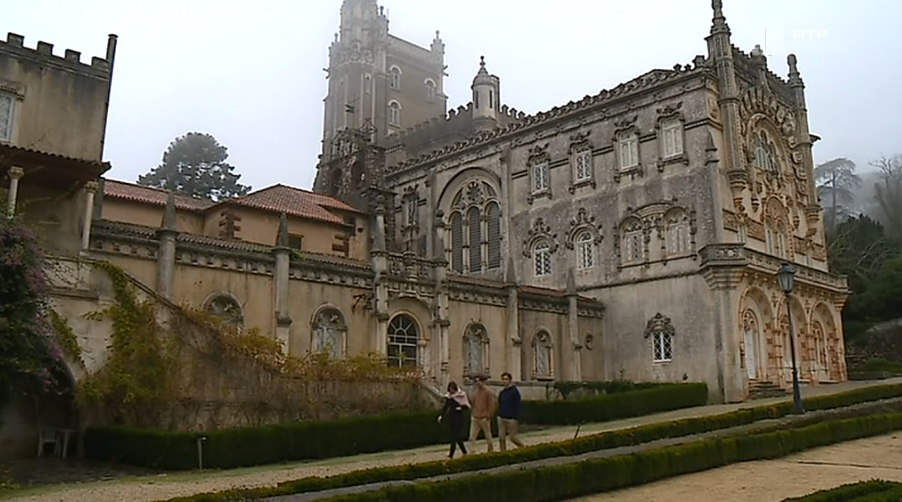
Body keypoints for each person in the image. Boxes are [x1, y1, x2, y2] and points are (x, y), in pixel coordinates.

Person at [437, 381, 469, 458]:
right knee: (457, 436)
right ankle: (464, 451)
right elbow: (445, 407)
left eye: (452, 389)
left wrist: (460, 408)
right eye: (450, 389)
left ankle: (451, 454)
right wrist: (441, 415)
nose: (451, 391)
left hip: (458, 417)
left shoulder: (461, 395)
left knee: (454, 436)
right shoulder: (449, 397)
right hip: (451, 417)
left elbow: (466, 406)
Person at [497, 371, 526, 451]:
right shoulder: (502, 393)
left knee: (512, 437)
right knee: (501, 437)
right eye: (503, 379)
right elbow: (500, 403)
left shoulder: (514, 391)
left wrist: (516, 417)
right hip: (502, 417)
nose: (504, 381)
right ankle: (503, 453)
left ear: (510, 380)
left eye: (506, 379)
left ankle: (523, 448)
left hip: (511, 418)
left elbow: (517, 404)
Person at [468, 376, 496, 453]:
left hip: (484, 417)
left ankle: (490, 450)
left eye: (479, 381)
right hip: (475, 417)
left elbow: (491, 404)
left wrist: (488, 415)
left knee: (488, 436)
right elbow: (472, 402)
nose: (477, 383)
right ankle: (472, 451)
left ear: (483, 382)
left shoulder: (488, 392)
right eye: (476, 381)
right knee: (472, 436)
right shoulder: (475, 392)